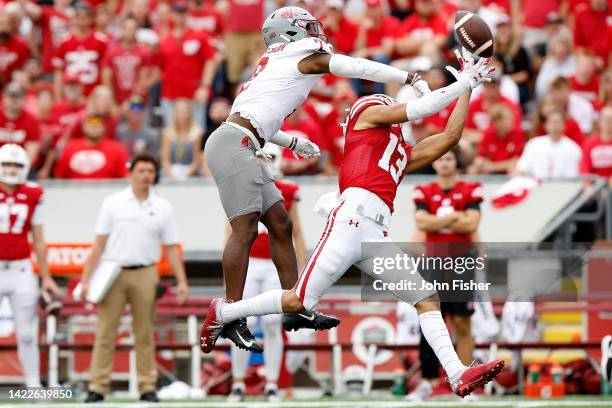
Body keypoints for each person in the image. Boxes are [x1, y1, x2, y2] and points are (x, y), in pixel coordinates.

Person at [202, 49, 504, 399]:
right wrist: (461, 81)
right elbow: (418, 109)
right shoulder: (367, 117)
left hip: (375, 232)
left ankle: (457, 374)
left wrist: (467, 89)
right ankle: (224, 311)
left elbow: (450, 137)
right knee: (298, 301)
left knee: (426, 296)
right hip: (350, 220)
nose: (388, 107)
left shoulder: (398, 151)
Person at [203, 6, 433, 351]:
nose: (316, 32)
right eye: (308, 26)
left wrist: (292, 140)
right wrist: (407, 77)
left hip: (240, 140)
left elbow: (254, 114)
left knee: (281, 224)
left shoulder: (274, 62)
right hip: (235, 143)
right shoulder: (301, 55)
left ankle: (297, 307)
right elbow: (352, 65)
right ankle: (229, 313)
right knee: (246, 228)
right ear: (292, 31)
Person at [81, 153, 189, 403]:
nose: (145, 176)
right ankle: (98, 386)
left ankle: (146, 386)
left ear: (155, 175)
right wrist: (87, 278)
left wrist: (182, 281)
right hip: (113, 271)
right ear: (130, 173)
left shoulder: (163, 207)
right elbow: (98, 244)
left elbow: (172, 247)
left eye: (150, 171)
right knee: (106, 332)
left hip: (146, 271)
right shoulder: (112, 203)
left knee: (144, 333)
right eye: (141, 171)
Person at [227, 144, 306, 403]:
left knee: (273, 324)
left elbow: (296, 231)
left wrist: (302, 268)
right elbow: (230, 231)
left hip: (275, 264)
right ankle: (238, 382)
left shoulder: (288, 190)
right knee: (242, 322)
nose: (266, 162)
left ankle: (271, 383)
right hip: (249, 262)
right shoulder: (241, 185)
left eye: (270, 157)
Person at [406, 148, 482, 401]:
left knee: (462, 322)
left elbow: (471, 224)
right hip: (433, 262)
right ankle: (428, 382)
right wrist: (454, 217)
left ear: (456, 162)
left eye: (448, 158)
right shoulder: (424, 190)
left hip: (461, 261)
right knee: (430, 322)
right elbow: (421, 223)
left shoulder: (471, 188)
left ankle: (467, 381)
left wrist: (437, 219)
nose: (444, 163)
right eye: (439, 158)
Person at [0, 143, 60, 387]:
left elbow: (39, 239)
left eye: (16, 165)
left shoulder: (34, 194)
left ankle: (33, 386)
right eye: (6, 164)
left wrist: (46, 276)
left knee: (26, 333)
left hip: (21, 268)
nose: (11, 169)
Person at [52, 2, 108, 98]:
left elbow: (106, 71)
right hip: (71, 97)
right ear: (74, 19)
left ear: (91, 19)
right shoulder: (64, 42)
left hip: (93, 96)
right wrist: (58, 98)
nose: (81, 20)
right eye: (78, 17)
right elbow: (58, 73)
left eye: (85, 17)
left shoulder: (101, 41)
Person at [53, 114, 129, 179]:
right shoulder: (70, 147)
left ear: (104, 127)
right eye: (90, 122)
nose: (94, 126)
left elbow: (125, 176)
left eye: (97, 123)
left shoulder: (116, 148)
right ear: (83, 127)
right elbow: (59, 176)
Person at [514, 110, 582, 180]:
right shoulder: (534, 144)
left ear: (564, 125)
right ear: (545, 125)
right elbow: (520, 169)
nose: (555, 126)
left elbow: (573, 178)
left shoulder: (573, 149)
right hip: (535, 187)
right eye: (552, 122)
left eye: (558, 122)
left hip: (562, 187)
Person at [160, 98, 204, 179]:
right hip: (172, 170)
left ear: (190, 114)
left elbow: (197, 161)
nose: (182, 115)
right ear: (174, 113)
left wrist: (186, 175)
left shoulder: (197, 132)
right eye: (179, 112)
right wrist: (172, 175)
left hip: (191, 171)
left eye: (185, 111)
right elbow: (165, 160)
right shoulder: (167, 133)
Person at [0, 82, 40, 162]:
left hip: (20, 164)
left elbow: (32, 150)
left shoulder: (31, 121)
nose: (14, 100)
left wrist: (20, 169)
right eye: (11, 96)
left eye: (18, 97)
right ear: (4, 98)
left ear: (24, 99)